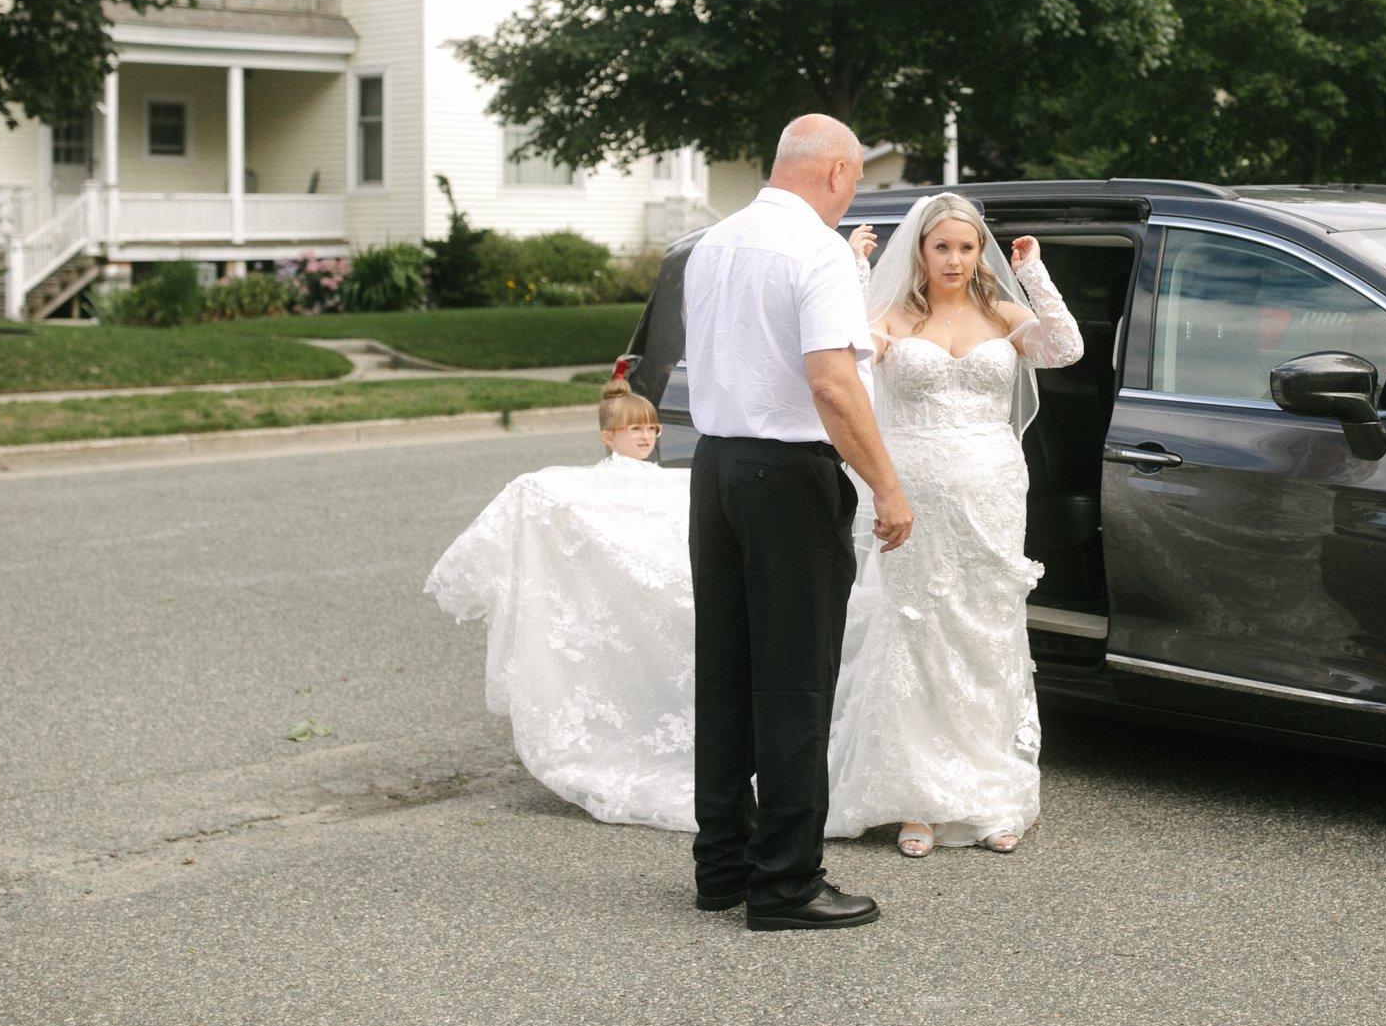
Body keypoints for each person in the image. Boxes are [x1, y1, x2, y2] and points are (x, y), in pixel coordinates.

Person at [682, 114, 913, 932]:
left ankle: (723, 863)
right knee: (793, 680)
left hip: (716, 471)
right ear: (840, 172)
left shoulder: (714, 242)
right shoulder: (816, 250)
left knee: (727, 670)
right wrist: (885, 484)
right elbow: (832, 384)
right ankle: (785, 882)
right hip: (788, 477)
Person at [828, 193, 1085, 855]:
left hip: (992, 493)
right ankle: (917, 798)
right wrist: (855, 272)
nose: (953, 258)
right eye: (941, 246)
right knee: (917, 631)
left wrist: (1036, 276)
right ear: (920, 250)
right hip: (912, 494)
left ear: (979, 253)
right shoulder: (891, 315)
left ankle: (990, 792)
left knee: (984, 632)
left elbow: (1064, 348)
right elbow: (846, 355)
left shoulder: (1001, 312)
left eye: (965, 247)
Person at [422, 379, 694, 831]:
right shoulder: (591, 486)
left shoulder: (667, 483)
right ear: (609, 438)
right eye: (634, 430)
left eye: (652, 429)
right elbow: (549, 494)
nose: (645, 437)